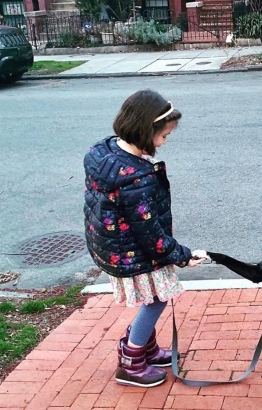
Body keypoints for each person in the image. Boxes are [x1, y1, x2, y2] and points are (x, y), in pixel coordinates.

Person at [83, 89, 205, 388]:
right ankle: (132, 361)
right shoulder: (135, 177)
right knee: (157, 299)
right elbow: (150, 232)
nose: (164, 142)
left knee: (152, 297)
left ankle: (145, 348)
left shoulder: (104, 151)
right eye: (163, 135)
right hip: (135, 252)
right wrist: (182, 255)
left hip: (112, 246)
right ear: (143, 130)